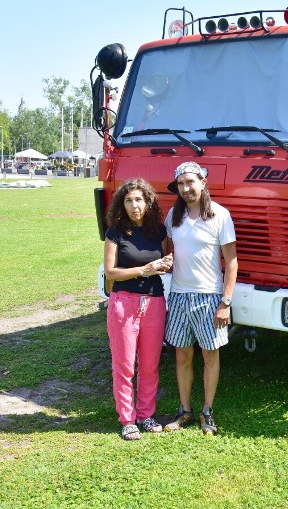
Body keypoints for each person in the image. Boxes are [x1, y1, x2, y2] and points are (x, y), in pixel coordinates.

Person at [162, 162, 237, 436]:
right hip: (179, 296)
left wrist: (225, 302)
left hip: (210, 298)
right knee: (182, 354)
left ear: (203, 182)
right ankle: (185, 411)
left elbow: (231, 262)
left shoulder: (220, 215)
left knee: (210, 355)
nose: (185, 189)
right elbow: (168, 249)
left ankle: (207, 411)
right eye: (180, 184)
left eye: (190, 182)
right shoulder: (174, 215)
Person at [104, 177, 173, 440]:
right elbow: (111, 272)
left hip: (155, 302)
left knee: (150, 365)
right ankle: (127, 419)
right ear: (123, 204)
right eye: (129, 200)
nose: (135, 206)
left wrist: (166, 263)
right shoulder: (115, 232)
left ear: (148, 202)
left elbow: (168, 258)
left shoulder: (159, 232)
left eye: (139, 200)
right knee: (124, 364)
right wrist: (143, 270)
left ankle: (145, 415)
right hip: (124, 302)